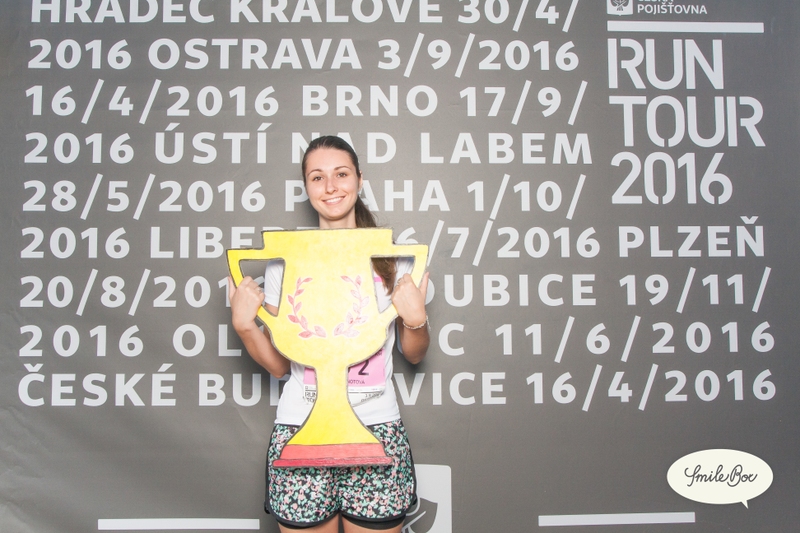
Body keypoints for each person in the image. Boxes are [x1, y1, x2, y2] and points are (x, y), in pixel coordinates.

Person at [228, 135, 430, 532]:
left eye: (341, 174)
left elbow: (415, 353)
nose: (331, 187)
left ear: (359, 178)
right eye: (317, 177)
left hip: (377, 427)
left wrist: (415, 320)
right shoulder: (282, 265)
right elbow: (281, 366)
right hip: (299, 429)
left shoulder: (396, 261)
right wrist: (245, 326)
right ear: (306, 187)